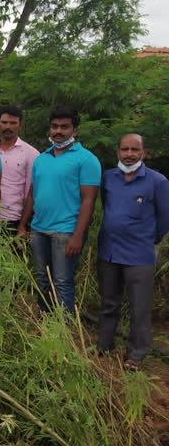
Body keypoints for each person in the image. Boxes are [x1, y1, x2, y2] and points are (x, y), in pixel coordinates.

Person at [97, 134, 169, 370]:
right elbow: (105, 204)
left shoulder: (157, 182)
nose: (129, 154)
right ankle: (104, 346)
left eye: (134, 150)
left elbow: (164, 218)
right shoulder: (109, 177)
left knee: (139, 308)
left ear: (144, 153)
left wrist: (148, 238)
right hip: (109, 252)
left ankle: (135, 356)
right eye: (124, 149)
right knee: (109, 303)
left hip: (139, 255)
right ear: (118, 152)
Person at [18, 109, 100, 314]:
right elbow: (32, 194)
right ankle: (46, 325)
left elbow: (88, 201)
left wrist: (78, 236)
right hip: (38, 229)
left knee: (62, 281)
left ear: (75, 130)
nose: (58, 131)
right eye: (55, 126)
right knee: (42, 279)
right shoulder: (42, 158)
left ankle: (64, 330)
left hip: (65, 231)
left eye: (64, 127)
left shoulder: (86, 159)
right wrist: (22, 225)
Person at [0, 106, 39, 231]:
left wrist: (23, 225)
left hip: (14, 220)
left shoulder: (31, 153)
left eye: (13, 123)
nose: (8, 127)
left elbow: (31, 193)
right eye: (4, 122)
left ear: (20, 126)